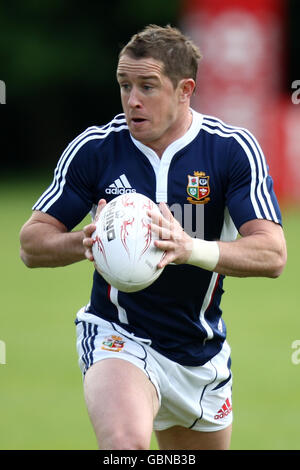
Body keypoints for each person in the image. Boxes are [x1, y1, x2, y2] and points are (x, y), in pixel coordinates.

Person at [19, 24, 287, 450]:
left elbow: (272, 254)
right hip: (118, 333)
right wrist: (85, 242)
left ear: (185, 90)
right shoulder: (96, 149)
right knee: (126, 447)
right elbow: (31, 244)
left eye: (148, 86)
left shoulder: (230, 150)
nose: (133, 100)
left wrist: (189, 248)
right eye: (125, 85)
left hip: (198, 353)